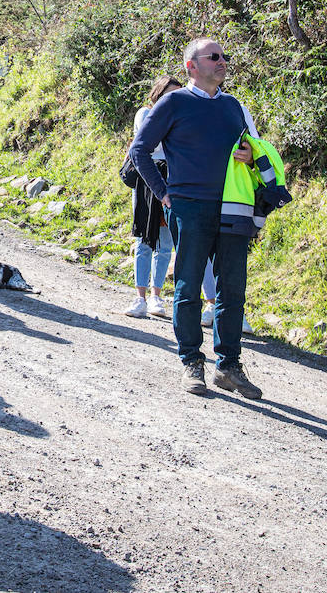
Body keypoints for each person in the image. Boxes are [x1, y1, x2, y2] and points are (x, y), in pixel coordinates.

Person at [128, 37, 262, 400]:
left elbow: (256, 147)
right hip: (188, 206)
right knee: (188, 287)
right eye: (213, 57)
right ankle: (192, 361)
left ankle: (229, 366)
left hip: (234, 207)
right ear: (191, 66)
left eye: (224, 56)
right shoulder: (173, 102)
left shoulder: (235, 106)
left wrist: (251, 157)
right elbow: (139, 150)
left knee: (232, 288)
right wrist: (163, 193)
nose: (222, 61)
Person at [126, 76, 184, 318]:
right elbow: (148, 145)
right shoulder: (145, 113)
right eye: (169, 95)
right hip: (147, 180)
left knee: (166, 242)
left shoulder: (182, 119)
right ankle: (139, 297)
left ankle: (156, 297)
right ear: (158, 94)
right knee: (144, 239)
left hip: (174, 180)